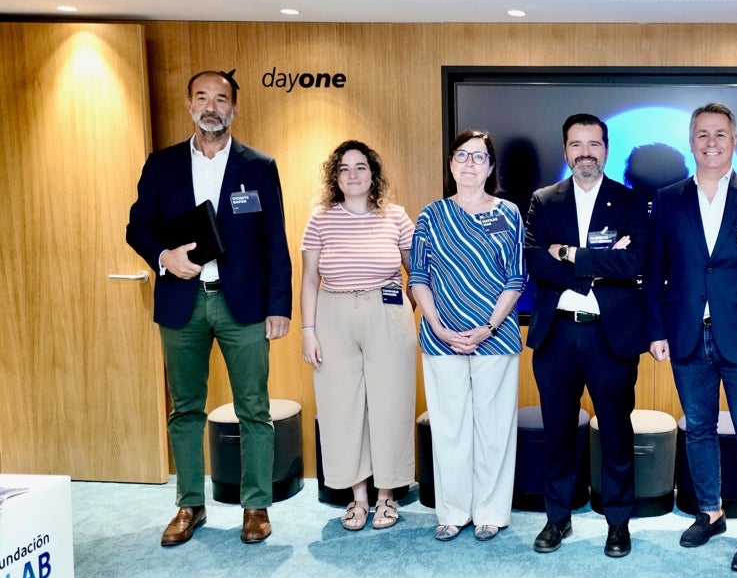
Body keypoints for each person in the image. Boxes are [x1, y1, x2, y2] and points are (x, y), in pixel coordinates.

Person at [125, 69, 292, 546]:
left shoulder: (258, 165)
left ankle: (256, 506)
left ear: (234, 109)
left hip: (243, 305)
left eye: (221, 100)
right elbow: (137, 227)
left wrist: (279, 305)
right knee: (186, 409)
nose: (212, 107)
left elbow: (274, 240)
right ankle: (189, 505)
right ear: (189, 104)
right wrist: (164, 257)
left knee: (254, 408)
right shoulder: (162, 164)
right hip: (183, 304)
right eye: (203, 98)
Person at [645, 102, 737, 573]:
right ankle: (711, 512)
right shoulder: (668, 200)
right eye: (702, 134)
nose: (711, 142)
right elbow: (654, 271)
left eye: (720, 134)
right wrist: (657, 331)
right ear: (691, 141)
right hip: (687, 335)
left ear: (735, 140)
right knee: (699, 428)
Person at [525, 113, 649, 558]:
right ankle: (558, 518)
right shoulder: (544, 200)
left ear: (606, 150)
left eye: (593, 144)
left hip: (610, 337)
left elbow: (633, 263)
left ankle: (618, 522)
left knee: (616, 431)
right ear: (565, 151)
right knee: (558, 431)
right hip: (556, 334)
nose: (585, 153)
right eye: (576, 145)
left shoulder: (631, 202)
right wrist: (594, 268)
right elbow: (536, 262)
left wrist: (572, 255)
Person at [408, 130, 525, 542]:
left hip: (497, 335)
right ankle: (454, 512)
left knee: (494, 428)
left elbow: (516, 277)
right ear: (451, 164)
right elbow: (418, 276)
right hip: (441, 336)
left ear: (491, 167)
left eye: (479, 157)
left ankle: (491, 511)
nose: (470, 163)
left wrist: (490, 326)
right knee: (449, 427)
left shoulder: (509, 213)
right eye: (463, 156)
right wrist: (437, 325)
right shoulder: (430, 215)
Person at [300, 140, 417, 531]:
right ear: (335, 177)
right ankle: (358, 498)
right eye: (345, 168)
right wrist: (308, 331)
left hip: (386, 310)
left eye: (361, 167)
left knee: (390, 405)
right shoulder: (319, 219)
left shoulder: (396, 216)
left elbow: (416, 273)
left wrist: (404, 313)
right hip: (333, 314)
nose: (353, 174)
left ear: (373, 175)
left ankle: (387, 497)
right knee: (341, 409)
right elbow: (309, 280)